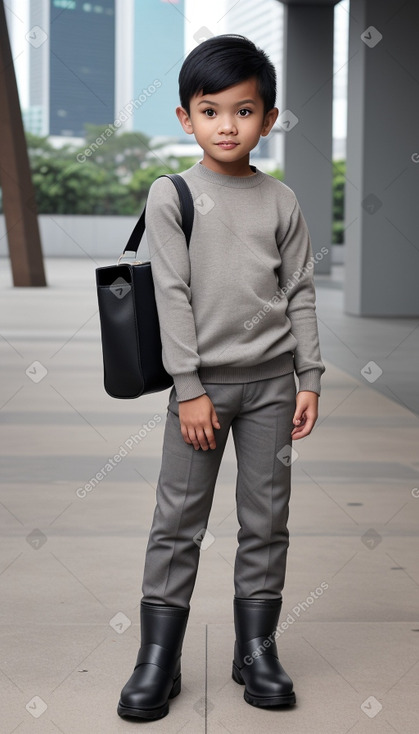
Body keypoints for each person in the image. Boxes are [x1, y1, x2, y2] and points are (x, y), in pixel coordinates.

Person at [117, 33, 326, 721]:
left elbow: (298, 292)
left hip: (271, 385)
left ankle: (255, 650)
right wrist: (189, 389)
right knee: (177, 521)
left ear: (266, 120)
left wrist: (309, 377)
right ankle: (157, 659)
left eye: (243, 111)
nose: (227, 125)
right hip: (199, 392)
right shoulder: (170, 194)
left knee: (266, 521)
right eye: (210, 111)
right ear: (185, 118)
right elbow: (171, 293)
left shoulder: (281, 201)